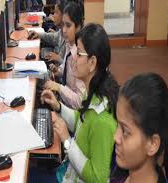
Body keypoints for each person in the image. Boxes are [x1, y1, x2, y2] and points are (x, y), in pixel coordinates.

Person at [41, 23, 119, 182]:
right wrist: (59, 106)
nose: (74, 56)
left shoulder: (103, 120)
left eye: (79, 53)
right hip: (69, 173)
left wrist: (67, 141)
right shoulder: (93, 91)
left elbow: (98, 178)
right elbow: (81, 121)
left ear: (92, 63)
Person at [113, 73, 168, 183]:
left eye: (125, 131)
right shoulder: (120, 172)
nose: (115, 137)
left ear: (152, 144)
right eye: (117, 125)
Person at [43, 1, 86, 110]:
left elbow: (80, 102)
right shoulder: (70, 44)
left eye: (68, 25)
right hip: (64, 101)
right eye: (63, 25)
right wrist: (58, 70)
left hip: (73, 111)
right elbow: (67, 69)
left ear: (78, 27)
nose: (64, 30)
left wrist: (59, 88)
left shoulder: (81, 55)